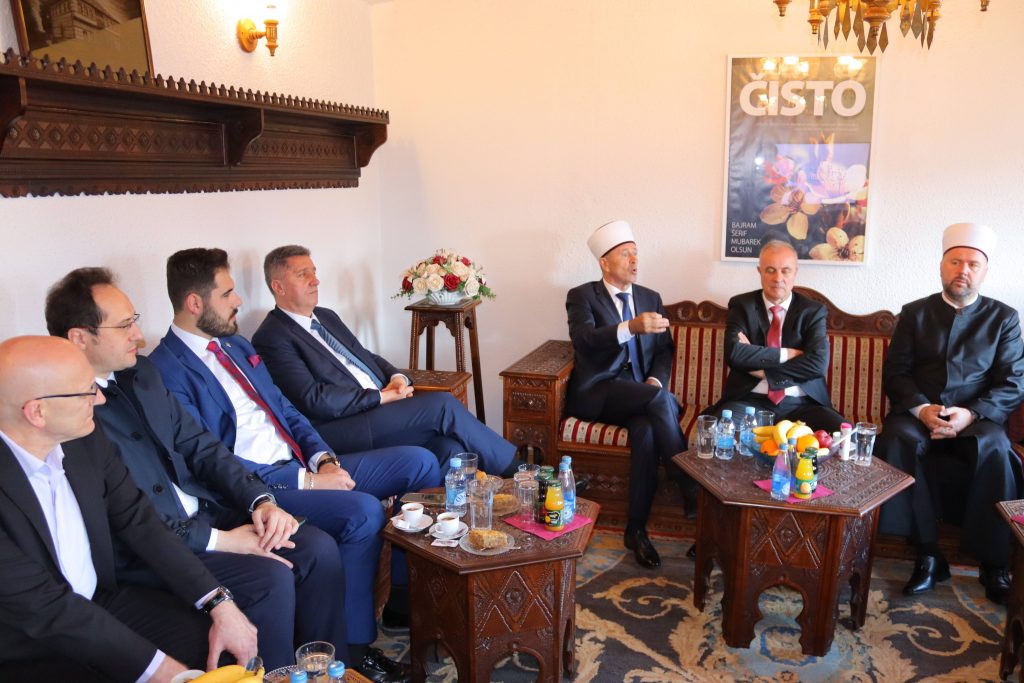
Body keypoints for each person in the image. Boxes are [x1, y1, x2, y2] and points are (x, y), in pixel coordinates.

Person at [45, 268, 351, 671]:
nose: (139, 335)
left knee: (315, 549)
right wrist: (221, 540)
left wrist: (260, 501)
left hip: (205, 511)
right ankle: (272, 676)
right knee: (269, 578)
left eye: (135, 321)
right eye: (124, 326)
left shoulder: (142, 373)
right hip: (152, 550)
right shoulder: (70, 413)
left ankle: (330, 669)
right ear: (79, 338)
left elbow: (201, 445)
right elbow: (132, 519)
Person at [148, 249, 430, 683]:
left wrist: (324, 459)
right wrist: (306, 480)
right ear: (194, 303)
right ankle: (353, 651)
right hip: (255, 489)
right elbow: (207, 460)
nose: (239, 300)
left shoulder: (237, 346)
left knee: (418, 461)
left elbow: (284, 409)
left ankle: (404, 602)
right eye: (228, 293)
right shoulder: (164, 371)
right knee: (361, 512)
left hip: (304, 462)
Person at [0, 336, 257, 683]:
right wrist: (165, 671)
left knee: (222, 650)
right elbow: (42, 606)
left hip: (98, 600)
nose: (101, 399)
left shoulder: (85, 439)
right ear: (37, 412)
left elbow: (139, 520)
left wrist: (218, 602)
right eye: (87, 391)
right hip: (27, 643)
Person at [251, 244, 516, 476]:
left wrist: (397, 378)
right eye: (303, 274)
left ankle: (437, 513)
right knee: (442, 406)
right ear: (278, 286)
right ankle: (518, 471)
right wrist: (380, 397)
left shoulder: (326, 316)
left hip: (377, 411)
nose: (315, 281)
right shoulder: (272, 336)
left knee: (449, 447)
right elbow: (315, 399)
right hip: (341, 428)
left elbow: (365, 356)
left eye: (314, 272)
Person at [878, 222, 1024, 605]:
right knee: (897, 437)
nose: (963, 271)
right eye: (956, 262)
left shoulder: (1004, 319)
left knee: (995, 448)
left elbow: (1012, 382)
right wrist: (923, 409)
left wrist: (970, 414)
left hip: (977, 418)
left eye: (973, 264)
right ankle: (927, 554)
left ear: (985, 271)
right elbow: (896, 373)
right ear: (941, 266)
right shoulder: (914, 313)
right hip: (918, 413)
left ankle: (994, 563)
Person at [565, 220, 690, 569]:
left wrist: (655, 380)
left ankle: (635, 530)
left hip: (641, 394)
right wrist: (630, 327)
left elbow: (664, 349)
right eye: (625, 254)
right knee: (661, 403)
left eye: (636, 253)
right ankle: (688, 482)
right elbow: (584, 340)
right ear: (604, 262)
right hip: (600, 391)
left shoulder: (650, 298)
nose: (634, 260)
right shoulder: (582, 296)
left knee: (646, 431)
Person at [709, 239, 845, 434]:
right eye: (770, 270)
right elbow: (735, 354)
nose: (778, 278)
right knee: (720, 434)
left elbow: (817, 364)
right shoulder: (742, 306)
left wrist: (766, 373)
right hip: (749, 402)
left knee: (846, 438)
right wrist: (788, 354)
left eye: (785, 271)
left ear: (795, 272)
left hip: (805, 405)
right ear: (760, 271)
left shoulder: (813, 311)